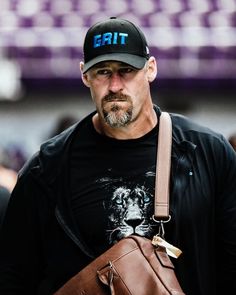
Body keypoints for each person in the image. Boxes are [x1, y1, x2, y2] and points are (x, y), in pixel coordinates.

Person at [0, 17, 235, 295]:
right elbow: (14, 276)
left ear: (150, 69)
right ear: (85, 75)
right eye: (102, 72)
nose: (114, 86)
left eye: (126, 70)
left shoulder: (208, 152)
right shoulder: (46, 168)